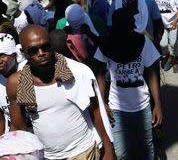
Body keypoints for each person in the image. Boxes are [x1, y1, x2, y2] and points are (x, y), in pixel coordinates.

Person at [6, 25, 115, 159]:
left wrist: (108, 148)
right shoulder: (16, 83)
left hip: (84, 152)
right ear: (23, 52)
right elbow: (18, 125)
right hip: (47, 156)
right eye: (33, 50)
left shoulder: (78, 72)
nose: (41, 53)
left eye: (45, 47)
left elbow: (96, 111)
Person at [95, 8, 162, 159]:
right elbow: (99, 74)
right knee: (121, 154)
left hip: (143, 107)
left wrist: (157, 104)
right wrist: (102, 103)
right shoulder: (106, 44)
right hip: (116, 110)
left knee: (147, 151)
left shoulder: (143, 42)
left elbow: (152, 74)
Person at [0, 34, 26, 135]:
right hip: (10, 138)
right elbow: (1, 119)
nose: (0, 61)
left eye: (3, 55)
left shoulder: (28, 73)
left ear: (14, 54)